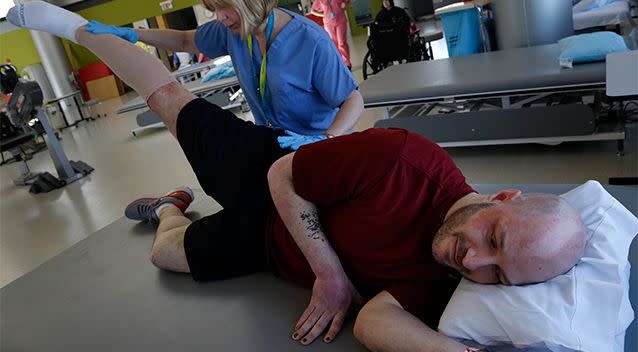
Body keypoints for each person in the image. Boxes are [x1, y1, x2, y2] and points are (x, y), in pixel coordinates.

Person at [7, 2, 586, 351]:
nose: (476, 260)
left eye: (500, 276)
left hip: (274, 237)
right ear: (503, 197)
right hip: (277, 167)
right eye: (495, 239)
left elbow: (377, 322)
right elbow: (286, 172)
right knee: (167, 97)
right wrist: (331, 273)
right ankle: (74, 26)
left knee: (165, 256)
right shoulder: (408, 161)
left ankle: (168, 206)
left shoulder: (451, 274)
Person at [85, 0, 363, 149]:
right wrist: (132, 34)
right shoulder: (235, 32)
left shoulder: (310, 41)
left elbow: (353, 100)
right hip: (273, 144)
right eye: (213, 9)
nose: (218, 17)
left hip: (321, 145)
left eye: (223, 7)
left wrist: (325, 139)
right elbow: (184, 41)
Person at [311, 0, 352, 69]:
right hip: (328, 23)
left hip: (341, 21)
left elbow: (348, 2)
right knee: (334, 44)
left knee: (342, 43)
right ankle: (339, 63)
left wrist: (345, 7)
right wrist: (323, 15)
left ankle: (347, 63)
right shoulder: (319, 0)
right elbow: (312, 11)